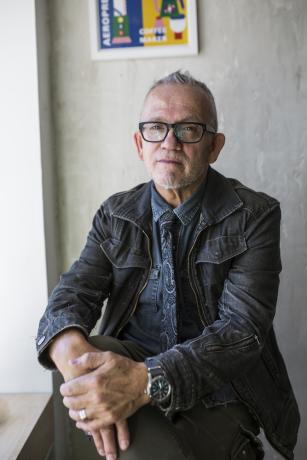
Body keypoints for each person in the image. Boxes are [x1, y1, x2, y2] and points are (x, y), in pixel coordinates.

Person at [36, 71, 299, 460]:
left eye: (189, 129)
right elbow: (74, 292)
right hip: (129, 369)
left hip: (220, 392)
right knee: (93, 353)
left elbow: (242, 332)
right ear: (140, 144)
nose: (170, 142)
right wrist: (74, 362)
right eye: (156, 128)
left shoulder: (255, 215)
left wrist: (144, 381)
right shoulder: (115, 215)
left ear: (214, 146)